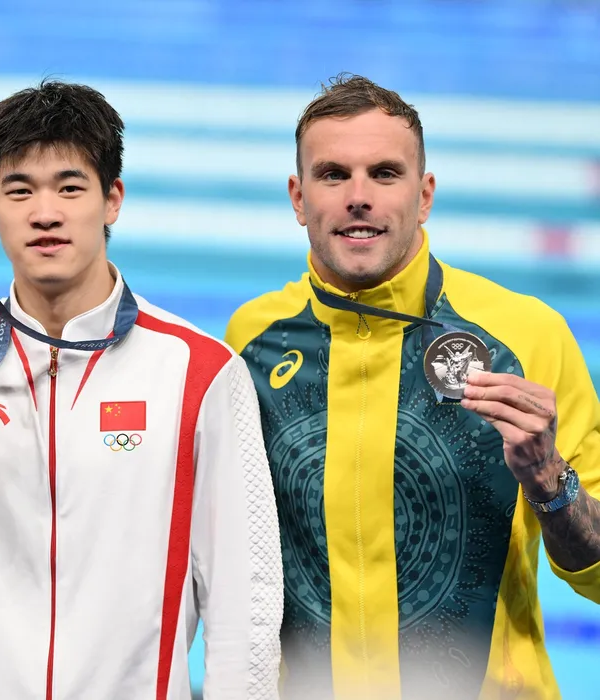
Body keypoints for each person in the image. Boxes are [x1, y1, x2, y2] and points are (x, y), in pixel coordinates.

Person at [0, 80, 284, 699]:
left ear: (113, 200)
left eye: (70, 187)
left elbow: (245, 603)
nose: (45, 212)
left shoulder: (199, 371)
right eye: (19, 190)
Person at [224, 73, 600, 700]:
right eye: (333, 174)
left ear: (423, 196)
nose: (359, 197)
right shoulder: (251, 341)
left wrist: (549, 481)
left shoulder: (526, 336)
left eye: (385, 174)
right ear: (298, 197)